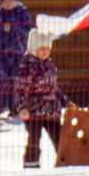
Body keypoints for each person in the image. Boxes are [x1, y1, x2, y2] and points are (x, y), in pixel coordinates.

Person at [17, 34, 69, 167]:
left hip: (51, 110)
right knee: (34, 139)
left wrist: (65, 102)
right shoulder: (28, 66)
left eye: (48, 47)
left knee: (59, 137)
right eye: (41, 48)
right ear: (34, 48)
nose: (45, 51)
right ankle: (31, 163)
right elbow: (22, 88)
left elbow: (55, 88)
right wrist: (22, 107)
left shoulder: (49, 65)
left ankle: (66, 161)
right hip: (33, 111)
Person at [0, 0, 32, 116]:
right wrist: (1, 28)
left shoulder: (21, 12)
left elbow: (28, 29)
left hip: (17, 52)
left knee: (15, 79)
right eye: (4, 1)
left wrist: (13, 28)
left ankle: (15, 107)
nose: (7, 3)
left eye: (10, 0)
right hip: (1, 52)